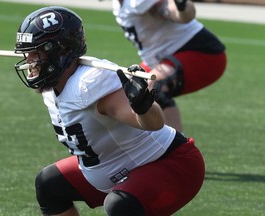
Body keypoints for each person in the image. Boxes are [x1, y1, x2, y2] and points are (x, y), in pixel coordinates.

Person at [13, 6, 205, 216]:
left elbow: (153, 123)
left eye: (37, 52)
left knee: (120, 205)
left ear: (62, 51)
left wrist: (143, 106)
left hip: (169, 164)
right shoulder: (55, 85)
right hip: (118, 168)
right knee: (49, 185)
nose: (30, 60)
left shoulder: (89, 84)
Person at [112, 0, 227, 132]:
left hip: (201, 53)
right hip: (165, 59)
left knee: (151, 91)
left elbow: (175, 12)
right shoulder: (119, 4)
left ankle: (180, 149)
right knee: (126, 92)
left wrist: (181, 6)